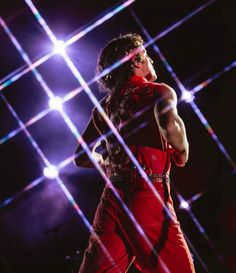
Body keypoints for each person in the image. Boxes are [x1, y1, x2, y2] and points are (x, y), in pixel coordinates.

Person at [74, 33, 195, 273]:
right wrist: (182, 152)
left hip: (112, 202)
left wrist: (106, 163)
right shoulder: (159, 92)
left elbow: (81, 156)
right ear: (136, 61)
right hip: (147, 197)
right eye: (147, 56)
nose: (151, 60)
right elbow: (171, 128)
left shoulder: (103, 108)